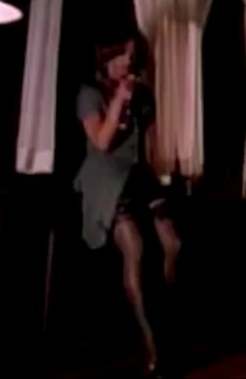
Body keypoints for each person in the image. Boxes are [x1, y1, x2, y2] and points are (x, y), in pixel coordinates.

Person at [75, 36, 180, 376]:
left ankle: (163, 314)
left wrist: (161, 176)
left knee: (173, 243)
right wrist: (119, 99)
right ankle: (153, 346)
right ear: (107, 57)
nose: (128, 63)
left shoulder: (144, 94)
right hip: (106, 179)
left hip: (138, 176)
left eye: (132, 57)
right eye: (122, 56)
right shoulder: (90, 94)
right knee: (136, 248)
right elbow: (102, 142)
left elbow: (148, 145)